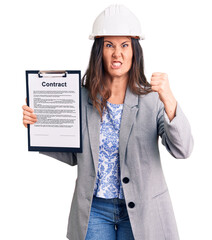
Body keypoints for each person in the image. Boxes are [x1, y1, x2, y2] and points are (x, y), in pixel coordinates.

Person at [22, 4, 194, 240]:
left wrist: (171, 102)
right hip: (94, 209)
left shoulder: (153, 99)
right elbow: (74, 156)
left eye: (124, 45)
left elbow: (182, 149)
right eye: (109, 45)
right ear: (98, 51)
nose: (117, 54)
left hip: (143, 210)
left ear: (134, 51)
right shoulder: (80, 98)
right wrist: (38, 127)